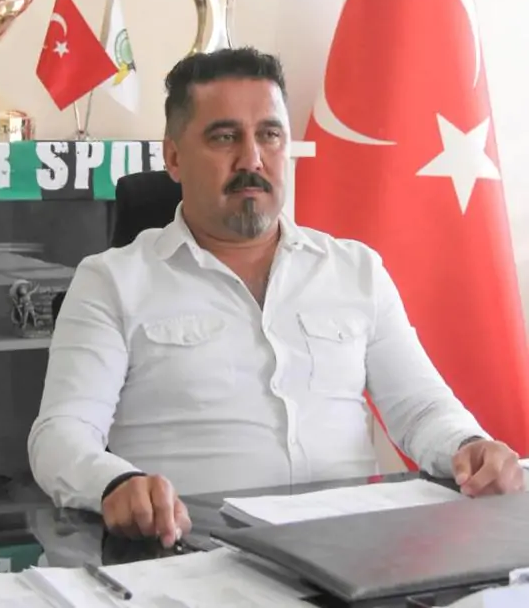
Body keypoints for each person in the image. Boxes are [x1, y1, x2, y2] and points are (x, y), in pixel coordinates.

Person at [28, 47, 523, 549]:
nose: (252, 159)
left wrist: (469, 444)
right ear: (173, 157)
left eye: (269, 135)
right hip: (191, 558)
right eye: (225, 137)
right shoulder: (111, 281)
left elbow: (420, 408)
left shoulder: (356, 270)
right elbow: (61, 433)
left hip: (350, 554)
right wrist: (116, 484)